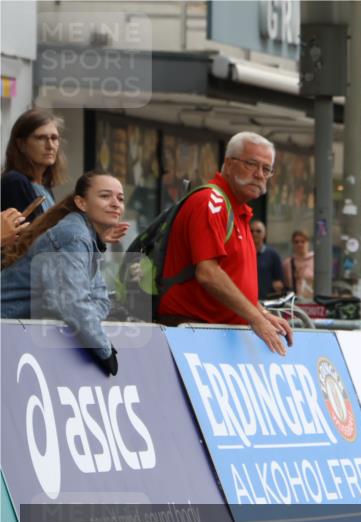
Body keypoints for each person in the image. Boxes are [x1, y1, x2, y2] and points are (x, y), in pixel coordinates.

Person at [156, 131, 292, 355]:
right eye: (251, 164)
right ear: (229, 164)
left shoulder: (236, 210)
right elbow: (208, 273)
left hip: (211, 336)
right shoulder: (211, 202)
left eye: (266, 169)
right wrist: (256, 318)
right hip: (192, 335)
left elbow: (234, 282)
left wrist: (263, 314)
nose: (259, 174)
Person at [1, 170, 129, 374]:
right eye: (105, 196)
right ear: (81, 203)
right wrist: (103, 348)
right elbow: (73, 303)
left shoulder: (85, 236)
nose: (116, 203)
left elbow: (99, 299)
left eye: (120, 198)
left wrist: (84, 320)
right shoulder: (74, 236)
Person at [1, 109, 67, 220]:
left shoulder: (43, 186)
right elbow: (27, 234)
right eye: (41, 138)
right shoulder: (15, 181)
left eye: (54, 138)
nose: (50, 146)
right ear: (21, 144)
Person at [251, 219, 285, 298]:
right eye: (251, 231)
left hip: (266, 301)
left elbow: (279, 283)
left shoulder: (273, 255)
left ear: (265, 234)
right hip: (246, 300)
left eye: (258, 231)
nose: (254, 233)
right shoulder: (243, 254)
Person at [283, 229, 315, 300]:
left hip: (312, 301)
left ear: (308, 243)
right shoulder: (288, 263)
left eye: (303, 241)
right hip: (294, 301)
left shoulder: (315, 260)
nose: (299, 244)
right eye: (296, 242)